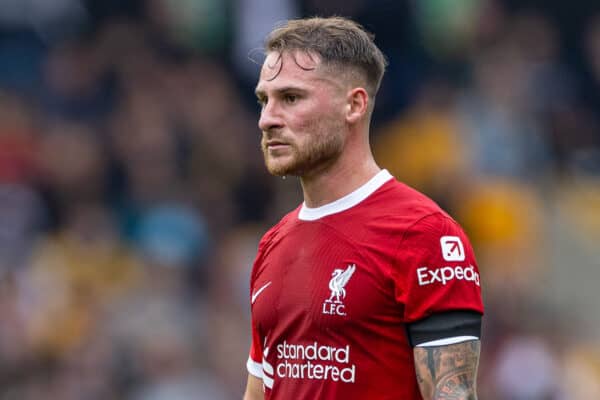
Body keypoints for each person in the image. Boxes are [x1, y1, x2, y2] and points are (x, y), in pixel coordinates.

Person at [243, 16, 484, 400]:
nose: (267, 119)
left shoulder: (424, 234)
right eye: (264, 100)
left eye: (290, 98)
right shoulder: (272, 244)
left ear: (354, 105)